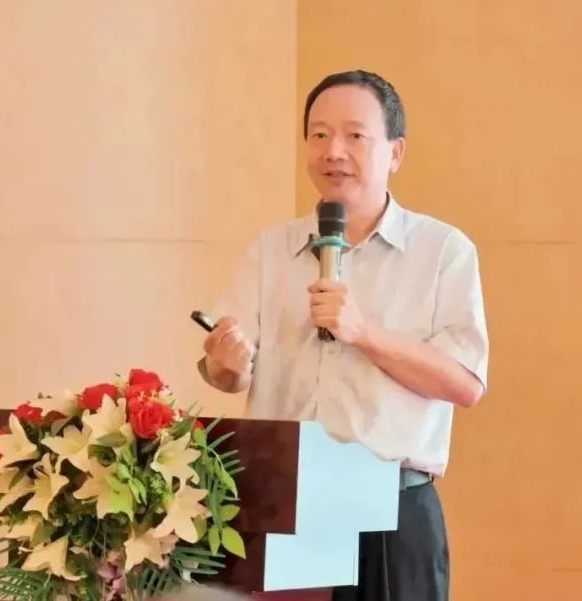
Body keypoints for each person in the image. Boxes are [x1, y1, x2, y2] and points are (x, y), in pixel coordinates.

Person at [199, 70, 490, 601]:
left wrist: (363, 332)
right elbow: (226, 373)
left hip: (392, 513)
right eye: (319, 134)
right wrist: (227, 362)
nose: (333, 151)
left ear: (395, 152)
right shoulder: (271, 249)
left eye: (355, 135)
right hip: (284, 505)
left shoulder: (442, 251)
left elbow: (465, 384)